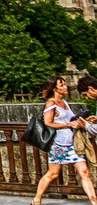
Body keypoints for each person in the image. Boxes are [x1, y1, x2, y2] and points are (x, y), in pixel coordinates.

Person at [33, 76, 97, 205]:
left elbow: (69, 120)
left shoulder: (65, 103)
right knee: (53, 174)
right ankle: (37, 199)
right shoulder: (51, 103)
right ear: (54, 89)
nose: (65, 87)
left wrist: (81, 122)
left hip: (72, 144)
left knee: (85, 172)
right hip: (58, 144)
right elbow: (48, 123)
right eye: (61, 85)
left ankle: (94, 202)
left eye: (65, 84)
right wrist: (69, 125)